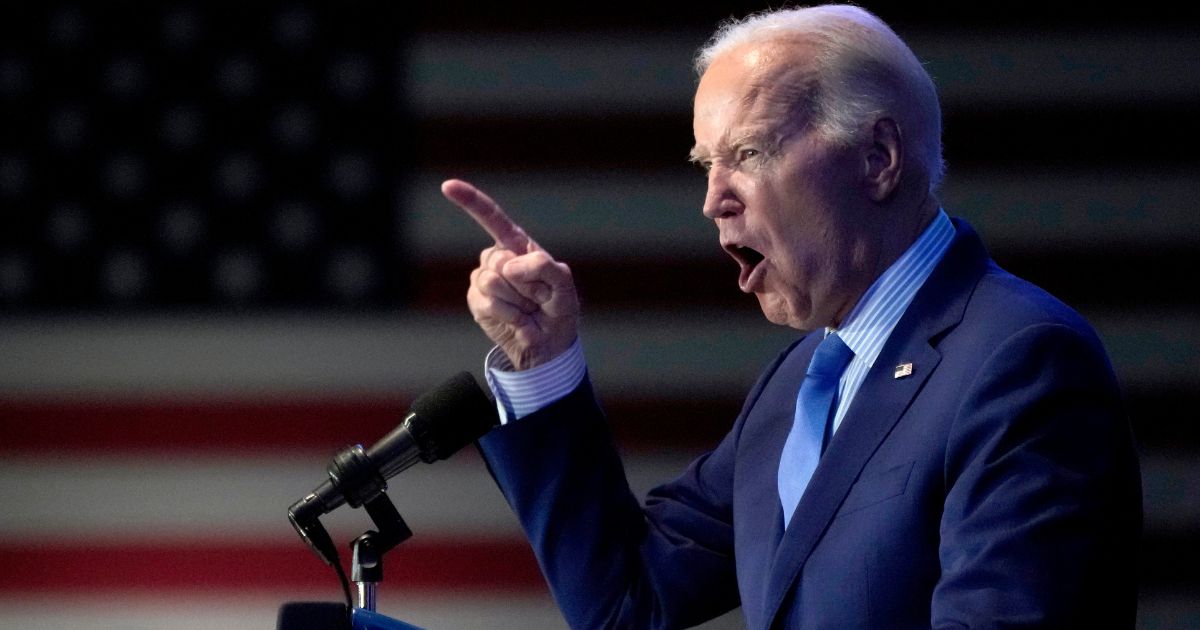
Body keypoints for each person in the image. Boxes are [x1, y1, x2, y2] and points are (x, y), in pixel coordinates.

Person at [441, 5, 1142, 628]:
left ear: (878, 159)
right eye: (706, 165)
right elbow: (628, 600)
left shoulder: (1020, 360)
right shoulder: (800, 383)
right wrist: (545, 361)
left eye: (748, 153)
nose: (714, 200)